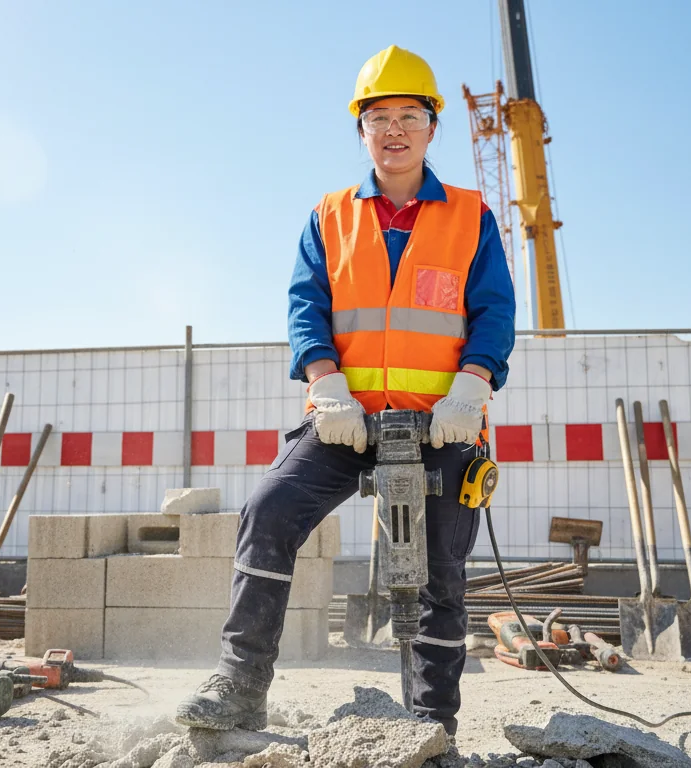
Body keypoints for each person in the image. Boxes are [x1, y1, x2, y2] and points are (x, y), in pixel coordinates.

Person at [175, 44, 515, 738]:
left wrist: (472, 387)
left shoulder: (470, 217)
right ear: (361, 128)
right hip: (347, 424)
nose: (395, 130)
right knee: (269, 509)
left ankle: (433, 725)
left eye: (410, 116)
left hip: (442, 425)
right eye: (379, 116)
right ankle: (240, 684)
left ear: (432, 126)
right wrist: (327, 386)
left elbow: (495, 312)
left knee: (442, 572)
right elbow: (307, 308)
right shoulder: (330, 216)